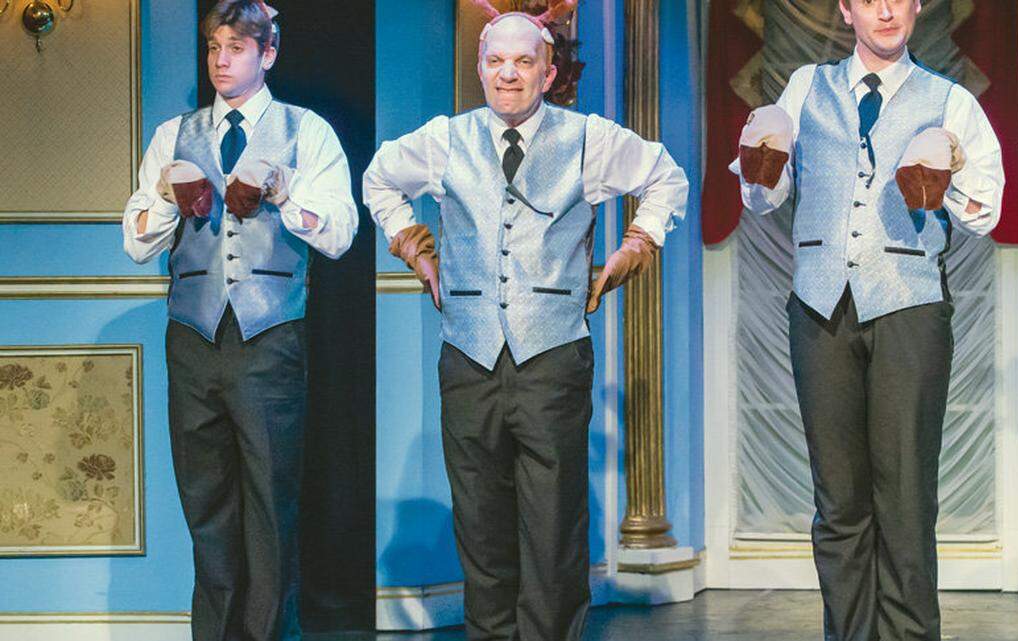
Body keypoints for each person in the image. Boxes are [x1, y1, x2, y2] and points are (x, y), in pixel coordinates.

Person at [363, 11, 688, 640]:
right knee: (481, 524)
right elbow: (378, 177)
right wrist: (413, 245)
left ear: (548, 72)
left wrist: (635, 246)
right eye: (494, 62)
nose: (507, 74)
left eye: (522, 63)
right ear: (480, 68)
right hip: (469, 354)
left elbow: (665, 177)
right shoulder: (444, 139)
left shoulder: (588, 138)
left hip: (553, 354)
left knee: (552, 525)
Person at [733, 1, 1004, 639]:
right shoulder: (805, 88)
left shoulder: (950, 100)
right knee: (839, 502)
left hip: (908, 306)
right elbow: (765, 195)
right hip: (819, 305)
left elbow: (986, 212)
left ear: (915, 8)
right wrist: (759, 161)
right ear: (847, 10)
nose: (885, 9)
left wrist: (945, 174)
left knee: (905, 500)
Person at [121, 2, 357, 639]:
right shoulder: (175, 134)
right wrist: (173, 203)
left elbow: (340, 232)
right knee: (206, 504)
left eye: (236, 48)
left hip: (269, 338)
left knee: (269, 505)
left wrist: (285, 192)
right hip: (192, 338)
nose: (221, 60)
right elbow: (137, 239)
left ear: (268, 53)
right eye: (213, 48)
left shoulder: (306, 132)